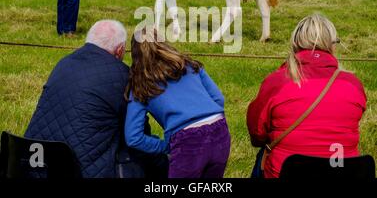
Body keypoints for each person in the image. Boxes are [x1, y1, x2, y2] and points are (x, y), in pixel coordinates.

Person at [25, 20, 168, 178]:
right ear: (120, 51)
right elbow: (139, 137)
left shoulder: (64, 63)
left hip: (32, 165)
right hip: (79, 170)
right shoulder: (123, 75)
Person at [247, 14, 367, 178]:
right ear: (332, 45)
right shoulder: (354, 85)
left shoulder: (277, 82)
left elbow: (257, 134)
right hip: (344, 172)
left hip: (287, 171)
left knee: (263, 154)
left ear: (295, 43)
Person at [125, 28, 231, 178]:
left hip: (186, 139)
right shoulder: (189, 64)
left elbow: (133, 137)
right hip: (219, 129)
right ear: (164, 42)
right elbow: (219, 98)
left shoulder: (140, 85)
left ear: (135, 54)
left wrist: (165, 146)